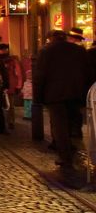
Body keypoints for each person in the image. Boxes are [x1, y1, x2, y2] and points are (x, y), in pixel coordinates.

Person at [34, 29, 91, 176]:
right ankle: (74, 152)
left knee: (60, 128)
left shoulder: (46, 51)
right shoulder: (79, 51)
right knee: (73, 123)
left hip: (55, 96)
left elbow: (40, 75)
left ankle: (65, 158)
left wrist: (38, 98)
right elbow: (88, 73)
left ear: (50, 38)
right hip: (76, 94)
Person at [0, 42, 22, 134]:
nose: (3, 51)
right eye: (2, 50)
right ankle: (6, 122)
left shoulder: (12, 60)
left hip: (9, 85)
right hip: (2, 85)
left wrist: (18, 85)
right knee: (2, 105)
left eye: (5, 49)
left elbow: (18, 73)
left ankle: (10, 121)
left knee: (10, 105)